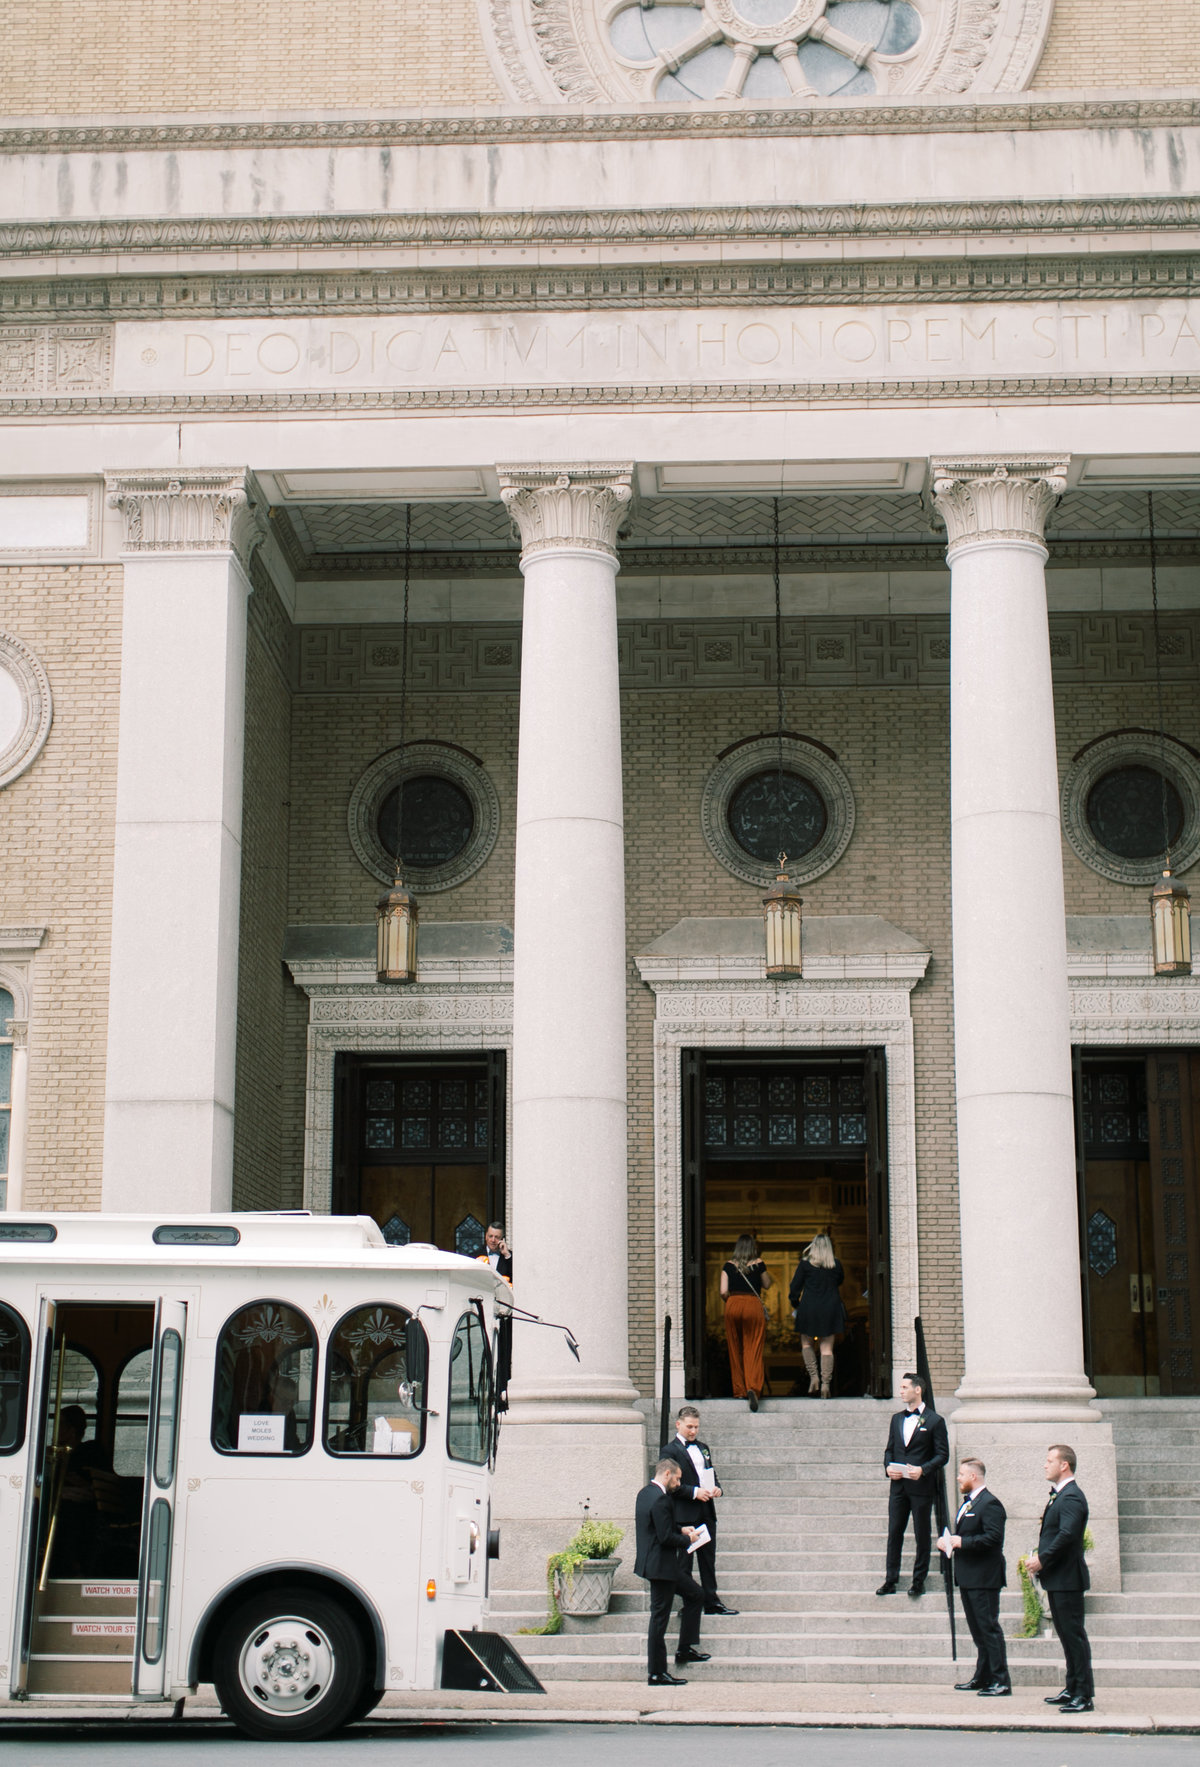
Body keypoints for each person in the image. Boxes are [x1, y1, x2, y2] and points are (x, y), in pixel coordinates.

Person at [1028, 1443, 1094, 1713]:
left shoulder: (1072, 1497)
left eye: (1049, 1460)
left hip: (1068, 1579)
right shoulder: (1061, 1496)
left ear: (1063, 1465)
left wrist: (1043, 1559)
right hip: (1058, 1579)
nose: (1045, 1464)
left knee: (1074, 1636)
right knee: (1066, 1636)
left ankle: (1084, 1695)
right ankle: (1073, 1688)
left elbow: (1067, 1535)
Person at [938, 1456, 1010, 1696]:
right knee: (978, 1631)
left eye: (960, 1474)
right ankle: (983, 1676)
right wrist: (949, 1542)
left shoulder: (990, 1503)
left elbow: (993, 1539)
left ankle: (1001, 1680)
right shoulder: (968, 1503)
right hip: (969, 1576)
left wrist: (962, 1541)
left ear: (973, 1476)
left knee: (988, 1628)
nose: (958, 1478)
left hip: (985, 1577)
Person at [634, 1456, 709, 1686]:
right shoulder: (662, 1499)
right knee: (659, 1619)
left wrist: (681, 1528)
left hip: (658, 1565)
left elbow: (659, 1525)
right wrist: (689, 1538)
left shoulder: (645, 1494)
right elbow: (665, 1537)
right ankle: (656, 1673)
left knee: (696, 1594)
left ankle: (685, 1648)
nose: (678, 1484)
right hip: (662, 1567)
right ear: (667, 1474)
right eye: (677, 1479)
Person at [660, 1404, 738, 1617]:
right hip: (685, 1514)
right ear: (678, 1424)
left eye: (696, 1427)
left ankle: (712, 1601)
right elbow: (669, 1485)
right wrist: (694, 1492)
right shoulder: (669, 1450)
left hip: (706, 1511)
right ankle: (689, 1604)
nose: (693, 1431)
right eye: (689, 1427)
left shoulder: (703, 1447)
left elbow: (710, 1474)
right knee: (685, 1561)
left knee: (708, 1559)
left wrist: (717, 1489)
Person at [877, 1370, 949, 1599]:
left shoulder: (935, 1420)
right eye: (900, 1388)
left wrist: (923, 1470)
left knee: (921, 1533)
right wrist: (888, 1468)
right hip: (898, 1487)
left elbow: (942, 1455)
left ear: (918, 1390)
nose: (901, 1391)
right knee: (894, 1532)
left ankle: (919, 1581)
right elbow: (890, 1449)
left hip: (921, 1487)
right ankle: (891, 1578)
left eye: (905, 1387)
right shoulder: (897, 1419)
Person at [788, 1231, 846, 1399]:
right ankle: (826, 1384)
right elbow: (840, 1281)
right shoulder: (836, 1264)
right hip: (830, 1308)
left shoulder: (805, 1265)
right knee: (827, 1349)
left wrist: (796, 1304)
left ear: (813, 1247)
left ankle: (814, 1377)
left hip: (809, 1308)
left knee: (806, 1344)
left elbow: (794, 1288)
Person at [720, 1232, 772, 1411]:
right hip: (752, 1304)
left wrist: (733, 1301)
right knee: (754, 1347)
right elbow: (767, 1284)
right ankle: (753, 1387)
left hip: (733, 1304)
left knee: (735, 1348)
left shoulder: (727, 1266)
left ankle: (740, 1389)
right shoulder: (758, 1264)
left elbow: (722, 1291)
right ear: (753, 1248)